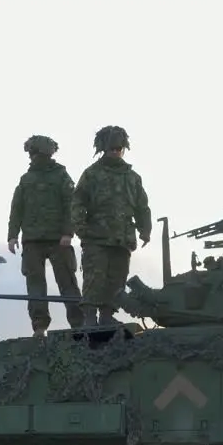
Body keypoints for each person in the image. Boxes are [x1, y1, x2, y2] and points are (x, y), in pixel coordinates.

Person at [70, 125, 152, 326]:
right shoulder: (92, 174)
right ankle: (89, 316)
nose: (115, 152)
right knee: (94, 278)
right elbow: (78, 201)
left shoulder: (132, 177)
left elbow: (142, 206)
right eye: (111, 148)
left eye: (118, 148)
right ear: (103, 148)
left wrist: (145, 230)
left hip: (122, 237)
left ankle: (107, 315)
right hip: (96, 237)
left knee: (117, 279)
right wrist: (81, 228)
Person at [7, 135, 83, 337]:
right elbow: (17, 208)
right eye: (31, 154)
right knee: (35, 286)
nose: (32, 158)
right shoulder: (26, 179)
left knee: (67, 282)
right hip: (32, 240)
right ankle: (39, 325)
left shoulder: (61, 176)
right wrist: (12, 235)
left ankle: (79, 323)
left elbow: (71, 206)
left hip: (58, 240)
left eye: (34, 153)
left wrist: (68, 232)